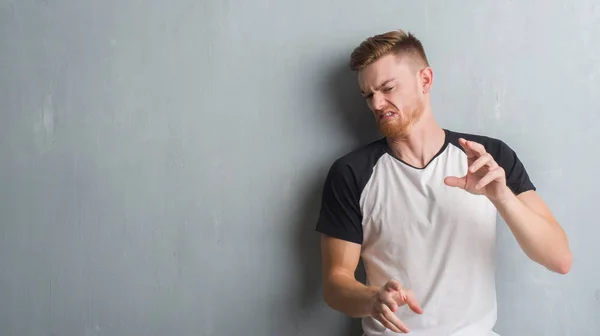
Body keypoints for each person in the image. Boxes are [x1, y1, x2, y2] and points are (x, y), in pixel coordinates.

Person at [315, 29, 572, 336]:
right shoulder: (351, 172)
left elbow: (559, 259)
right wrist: (373, 300)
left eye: (388, 88)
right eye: (369, 95)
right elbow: (335, 283)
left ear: (425, 80)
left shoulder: (488, 158)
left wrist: (501, 197)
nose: (377, 104)